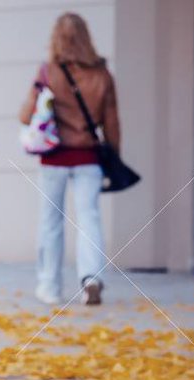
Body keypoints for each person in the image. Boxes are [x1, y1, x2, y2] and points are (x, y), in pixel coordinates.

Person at [19, 12, 120, 306]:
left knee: (50, 222)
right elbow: (112, 122)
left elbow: (26, 115)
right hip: (88, 156)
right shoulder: (102, 75)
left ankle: (49, 287)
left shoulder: (48, 71)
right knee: (89, 218)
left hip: (53, 158)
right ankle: (91, 278)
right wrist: (113, 156)